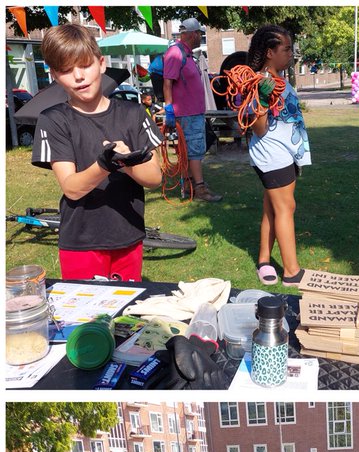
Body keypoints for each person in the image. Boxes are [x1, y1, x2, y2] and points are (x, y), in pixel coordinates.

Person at [32, 23, 163, 281]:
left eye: (85, 65)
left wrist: (126, 163)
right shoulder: (53, 120)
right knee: (86, 319)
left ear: (101, 63)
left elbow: (155, 178)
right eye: (67, 71)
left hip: (129, 235)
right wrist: (104, 164)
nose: (79, 76)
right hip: (81, 242)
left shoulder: (134, 113)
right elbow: (71, 188)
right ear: (55, 76)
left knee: (126, 316)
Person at [246, 24, 311, 284]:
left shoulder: (280, 79)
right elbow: (259, 129)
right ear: (270, 52)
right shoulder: (259, 82)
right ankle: (292, 272)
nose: (291, 54)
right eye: (286, 49)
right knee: (286, 207)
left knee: (272, 208)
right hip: (271, 154)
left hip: (286, 152)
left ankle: (264, 261)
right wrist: (260, 100)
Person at [162, 16, 221, 202]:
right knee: (194, 151)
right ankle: (200, 189)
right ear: (192, 34)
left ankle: (189, 186)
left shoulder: (185, 53)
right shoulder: (175, 53)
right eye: (199, 34)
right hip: (186, 114)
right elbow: (167, 83)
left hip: (192, 113)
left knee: (189, 151)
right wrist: (169, 109)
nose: (200, 37)